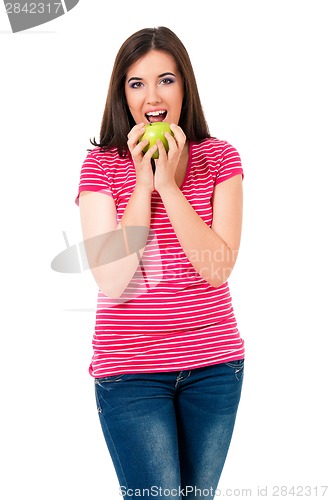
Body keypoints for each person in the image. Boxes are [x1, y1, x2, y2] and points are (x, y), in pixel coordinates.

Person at [76, 26, 245, 500]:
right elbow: (111, 278)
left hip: (214, 369)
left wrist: (171, 186)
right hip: (130, 374)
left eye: (166, 80)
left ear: (184, 87)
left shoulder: (221, 160)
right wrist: (145, 182)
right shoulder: (102, 166)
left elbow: (217, 267)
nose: (152, 94)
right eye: (137, 83)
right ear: (123, 95)